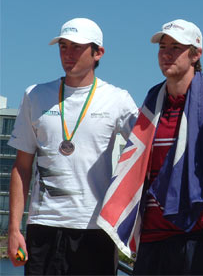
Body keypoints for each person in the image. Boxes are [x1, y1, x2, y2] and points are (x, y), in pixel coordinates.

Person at [97, 19, 203, 275]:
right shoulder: (150, 105)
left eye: (176, 47)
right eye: (162, 47)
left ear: (196, 54)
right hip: (153, 237)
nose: (166, 53)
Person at [7, 18, 139, 275]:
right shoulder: (35, 95)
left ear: (98, 52)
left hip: (95, 230)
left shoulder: (117, 100)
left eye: (77, 47)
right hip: (43, 227)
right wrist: (14, 229)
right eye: (63, 46)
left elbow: (146, 154)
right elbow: (22, 167)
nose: (68, 54)